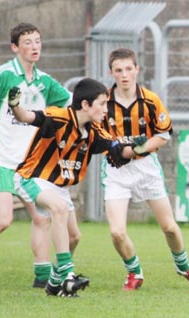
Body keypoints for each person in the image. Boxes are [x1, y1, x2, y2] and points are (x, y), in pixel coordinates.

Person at [9, 77, 148, 297]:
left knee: (74, 237)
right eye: (102, 103)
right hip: (32, 177)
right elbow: (27, 116)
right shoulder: (59, 117)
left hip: (59, 187)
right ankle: (68, 275)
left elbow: (118, 150)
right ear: (85, 104)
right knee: (60, 209)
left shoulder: (94, 131)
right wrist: (15, 105)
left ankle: (54, 283)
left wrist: (138, 148)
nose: (105, 109)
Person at [101, 48, 189, 291]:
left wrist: (137, 151)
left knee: (169, 227)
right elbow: (98, 137)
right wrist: (119, 150)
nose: (124, 75)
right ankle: (134, 272)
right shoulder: (104, 102)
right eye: (118, 70)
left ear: (137, 69)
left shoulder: (150, 99)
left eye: (129, 69)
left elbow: (163, 135)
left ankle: (185, 267)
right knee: (117, 232)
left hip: (147, 168)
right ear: (111, 73)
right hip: (116, 171)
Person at [0, 22, 80, 288]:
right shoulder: (4, 75)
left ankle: (43, 277)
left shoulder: (44, 82)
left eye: (37, 41)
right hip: (3, 161)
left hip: (30, 165)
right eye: (28, 42)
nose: (34, 47)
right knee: (2, 221)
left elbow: (74, 105)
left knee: (42, 217)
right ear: (15, 47)